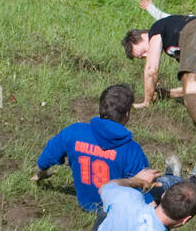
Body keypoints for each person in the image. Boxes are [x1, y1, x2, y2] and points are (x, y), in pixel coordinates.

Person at [33, 84, 148, 212]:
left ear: (100, 108)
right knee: (165, 182)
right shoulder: (132, 150)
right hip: (116, 209)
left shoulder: (74, 132)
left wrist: (40, 173)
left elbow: (47, 155)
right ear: (127, 114)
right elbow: (144, 187)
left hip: (84, 202)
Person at [123, 0, 196, 125]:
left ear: (143, 36)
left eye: (142, 53)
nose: (146, 56)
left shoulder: (155, 30)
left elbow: (151, 70)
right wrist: (168, 94)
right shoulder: (174, 33)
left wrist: (147, 101)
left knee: (191, 95)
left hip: (194, 35)